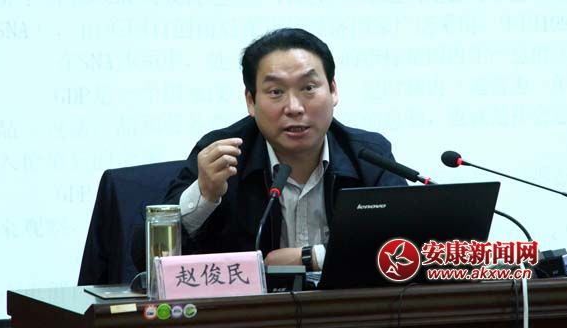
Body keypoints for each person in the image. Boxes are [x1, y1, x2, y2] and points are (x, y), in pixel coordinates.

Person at [142, 28, 406, 272]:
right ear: (251, 101)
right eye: (276, 92)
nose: (294, 107)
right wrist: (205, 195)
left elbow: (410, 242)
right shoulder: (223, 155)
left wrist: (312, 257)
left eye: (308, 88)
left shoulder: (369, 155)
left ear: (333, 90)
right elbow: (146, 256)